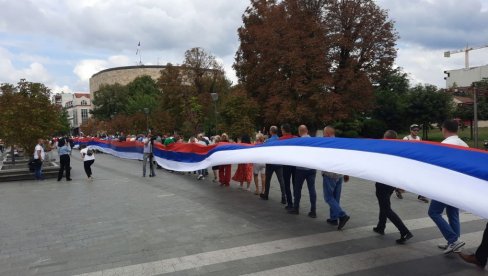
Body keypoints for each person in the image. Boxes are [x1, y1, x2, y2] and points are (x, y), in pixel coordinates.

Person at [429, 119, 467, 254]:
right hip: (458, 185)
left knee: (433, 212)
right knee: (452, 213)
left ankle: (453, 240)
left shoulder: (445, 144)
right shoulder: (464, 144)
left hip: (445, 185)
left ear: (444, 129)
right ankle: (455, 243)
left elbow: (439, 167)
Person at [373, 130, 413, 244]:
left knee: (386, 208)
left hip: (383, 182)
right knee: (384, 204)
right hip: (391, 183)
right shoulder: (398, 150)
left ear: (386, 138)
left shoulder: (384, 150)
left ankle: (404, 231)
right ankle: (381, 226)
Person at [322, 126, 350, 230]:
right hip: (340, 174)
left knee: (328, 197)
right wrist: (347, 173)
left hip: (330, 174)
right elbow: (345, 159)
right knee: (335, 198)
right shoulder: (340, 143)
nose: (323, 135)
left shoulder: (326, 144)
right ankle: (333, 218)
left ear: (328, 133)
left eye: (324, 133)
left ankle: (342, 215)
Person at [396, 124, 429, 203]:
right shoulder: (406, 138)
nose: (416, 132)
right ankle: (399, 189)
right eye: (414, 130)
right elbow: (402, 150)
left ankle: (421, 195)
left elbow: (421, 149)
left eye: (417, 130)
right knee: (407, 177)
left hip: (417, 161)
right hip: (408, 162)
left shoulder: (419, 138)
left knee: (419, 177)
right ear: (410, 130)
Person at [288, 125, 317, 218]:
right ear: (307, 131)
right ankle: (313, 210)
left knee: (297, 189)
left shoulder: (298, 141)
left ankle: (296, 208)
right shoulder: (313, 140)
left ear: (299, 132)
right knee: (312, 189)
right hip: (311, 168)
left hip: (300, 169)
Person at [260, 126, 286, 203]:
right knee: (281, 180)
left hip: (270, 163)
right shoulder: (280, 140)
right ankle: (283, 197)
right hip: (279, 163)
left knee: (268, 180)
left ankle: (266, 195)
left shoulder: (268, 141)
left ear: (271, 132)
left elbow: (263, 150)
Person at [279, 123, 297, 210]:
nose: (281, 131)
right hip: (295, 164)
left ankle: (290, 203)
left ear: (284, 130)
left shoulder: (281, 139)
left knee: (287, 184)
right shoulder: (296, 138)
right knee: (295, 184)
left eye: (282, 130)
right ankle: (296, 203)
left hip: (286, 165)